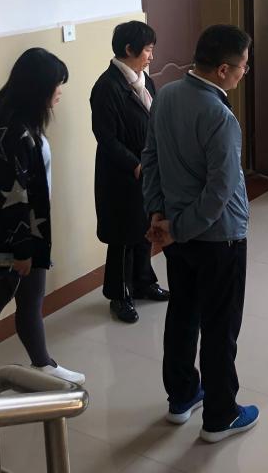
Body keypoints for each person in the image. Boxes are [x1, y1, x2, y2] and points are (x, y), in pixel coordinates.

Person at [142, 24, 259, 444]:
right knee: (219, 327)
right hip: (218, 239)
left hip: (177, 233)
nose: (245, 72)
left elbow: (150, 159)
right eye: (243, 66)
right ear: (224, 69)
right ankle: (221, 415)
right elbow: (218, 192)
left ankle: (181, 396)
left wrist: (159, 215)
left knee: (182, 315)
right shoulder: (220, 117)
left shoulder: (167, 95)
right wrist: (177, 230)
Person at [0, 48, 85, 399]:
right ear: (38, 88)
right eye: (56, 84)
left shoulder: (19, 124)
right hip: (14, 238)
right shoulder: (13, 134)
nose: (60, 91)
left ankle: (42, 364)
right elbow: (15, 198)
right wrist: (23, 251)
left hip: (27, 233)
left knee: (28, 299)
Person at [91, 21, 170, 325]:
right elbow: (106, 137)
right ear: (129, 49)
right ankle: (119, 294)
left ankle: (143, 282)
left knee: (144, 227)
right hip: (121, 175)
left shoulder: (144, 81)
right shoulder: (107, 86)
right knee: (122, 235)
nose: (151, 56)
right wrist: (134, 164)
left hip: (147, 169)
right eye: (148, 50)